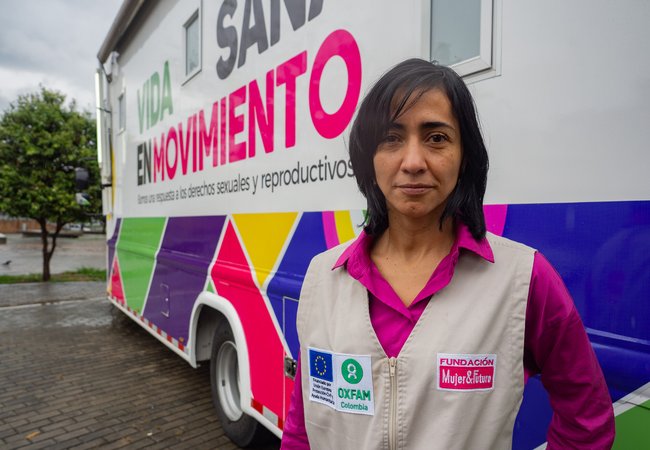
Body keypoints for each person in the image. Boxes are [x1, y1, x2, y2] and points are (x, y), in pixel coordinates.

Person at [281, 58, 614, 449]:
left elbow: (586, 420)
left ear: (465, 156)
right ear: (369, 157)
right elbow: (303, 427)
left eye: (436, 138)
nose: (413, 162)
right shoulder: (323, 276)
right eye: (391, 138)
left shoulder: (524, 279)